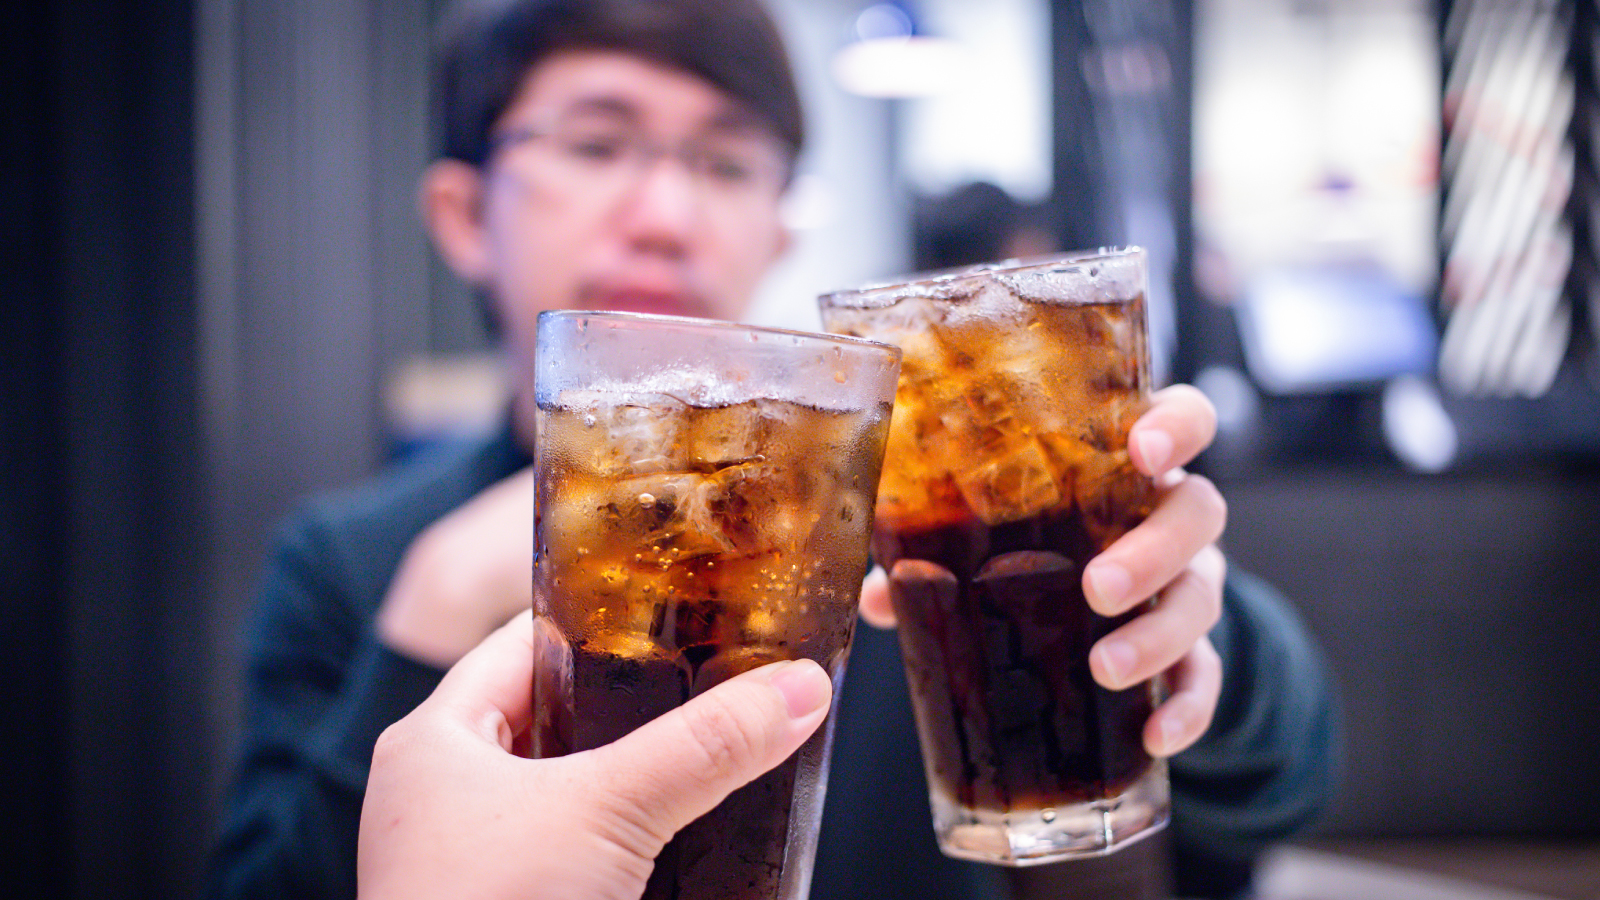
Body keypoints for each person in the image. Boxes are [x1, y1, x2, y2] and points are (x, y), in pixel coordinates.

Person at [205, 1, 1338, 898]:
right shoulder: (348, 562)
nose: (664, 211)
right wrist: (426, 620)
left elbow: (1273, 796)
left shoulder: (899, 532)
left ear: (781, 226)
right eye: (598, 143)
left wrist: (1160, 617)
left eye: (726, 163)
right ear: (462, 215)